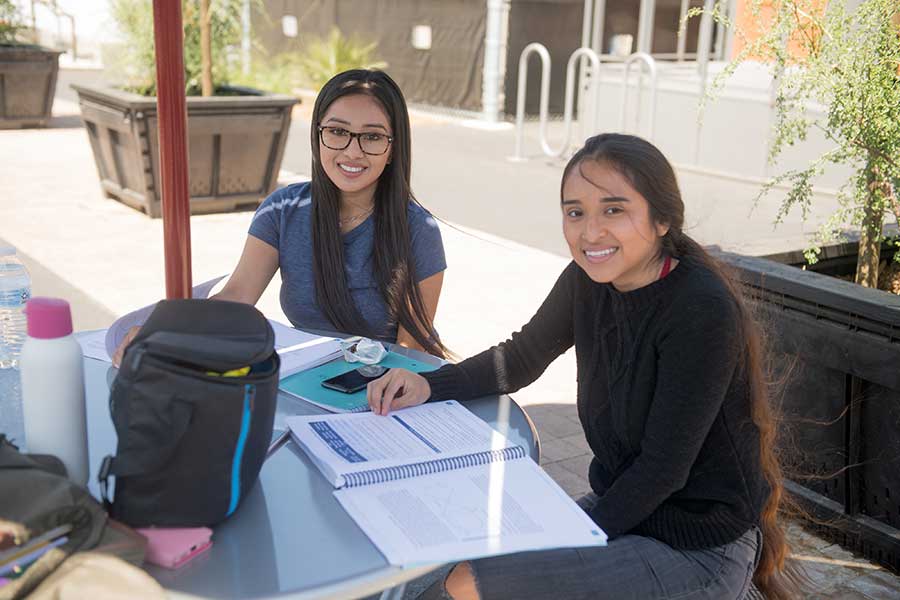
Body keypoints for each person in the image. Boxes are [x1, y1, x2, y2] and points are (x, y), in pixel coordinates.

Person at [366, 134, 801, 599]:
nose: (590, 232)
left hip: (696, 547)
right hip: (627, 508)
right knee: (445, 552)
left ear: (662, 220)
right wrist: (429, 384)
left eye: (614, 209)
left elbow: (662, 470)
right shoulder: (588, 280)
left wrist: (560, 537)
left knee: (469, 582)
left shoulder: (700, 310)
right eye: (575, 213)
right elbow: (521, 357)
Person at [113, 69, 447, 366]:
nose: (352, 151)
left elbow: (409, 350)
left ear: (393, 149)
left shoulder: (419, 229)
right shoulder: (282, 209)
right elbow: (237, 297)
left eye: (372, 136)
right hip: (298, 380)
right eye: (337, 131)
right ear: (317, 136)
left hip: (380, 392)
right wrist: (169, 329)